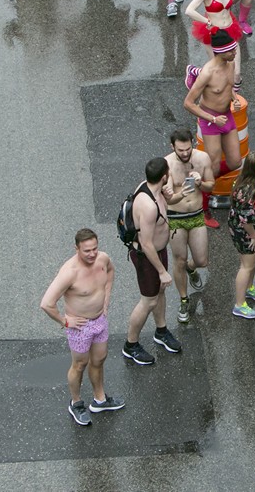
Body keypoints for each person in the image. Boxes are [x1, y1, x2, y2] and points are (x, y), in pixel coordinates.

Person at [40, 229, 124, 427]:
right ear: (76, 249)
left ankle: (100, 400)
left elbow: (111, 271)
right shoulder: (69, 272)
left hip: (99, 321)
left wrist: (106, 299)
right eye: (87, 250)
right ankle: (76, 403)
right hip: (80, 326)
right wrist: (65, 321)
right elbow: (46, 303)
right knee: (79, 365)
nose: (92, 254)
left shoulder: (103, 259)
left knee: (99, 359)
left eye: (95, 248)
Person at [122, 157, 181, 366]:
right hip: (147, 257)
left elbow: (170, 197)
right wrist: (162, 271)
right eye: (168, 174)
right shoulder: (147, 205)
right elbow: (146, 244)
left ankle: (161, 331)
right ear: (163, 177)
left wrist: (173, 192)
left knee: (160, 292)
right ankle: (131, 345)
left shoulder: (151, 186)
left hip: (158, 251)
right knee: (148, 301)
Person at [164, 129, 216, 323]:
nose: (185, 153)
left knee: (202, 260)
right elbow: (167, 195)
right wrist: (175, 193)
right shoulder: (167, 163)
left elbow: (211, 185)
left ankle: (191, 269)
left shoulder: (202, 158)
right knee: (179, 259)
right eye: (180, 150)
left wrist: (200, 182)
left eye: (187, 149)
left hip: (196, 216)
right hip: (175, 217)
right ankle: (183, 300)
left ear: (192, 143)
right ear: (172, 147)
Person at [184, 33, 243, 186]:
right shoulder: (208, 73)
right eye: (231, 51)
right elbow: (188, 103)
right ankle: (201, 195)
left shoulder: (231, 64)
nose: (235, 53)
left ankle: (199, 181)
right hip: (210, 120)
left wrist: (234, 99)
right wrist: (213, 119)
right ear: (221, 52)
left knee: (236, 162)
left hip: (226, 116)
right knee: (214, 167)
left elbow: (227, 87)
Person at [186, 0, 249, 86]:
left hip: (231, 29)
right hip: (215, 34)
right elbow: (189, 10)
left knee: (236, 74)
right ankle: (194, 71)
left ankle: (234, 101)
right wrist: (207, 21)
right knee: (218, 71)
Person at [228, 151, 255, 319]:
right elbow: (246, 220)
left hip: (254, 226)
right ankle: (239, 305)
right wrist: (254, 236)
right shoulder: (249, 192)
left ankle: (249, 287)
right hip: (246, 231)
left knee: (253, 259)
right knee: (246, 265)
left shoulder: (247, 181)